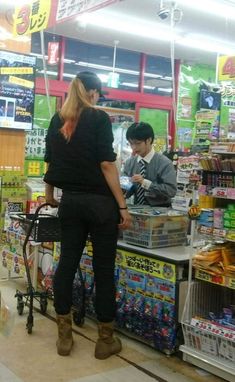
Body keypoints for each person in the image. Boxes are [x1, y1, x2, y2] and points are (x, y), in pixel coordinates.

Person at [44, 71, 131, 359]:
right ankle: (105, 340)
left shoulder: (58, 120)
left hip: (70, 204)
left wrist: (48, 196)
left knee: (66, 264)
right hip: (101, 207)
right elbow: (107, 164)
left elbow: (50, 162)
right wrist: (122, 205)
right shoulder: (98, 118)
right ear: (93, 92)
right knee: (104, 270)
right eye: (98, 94)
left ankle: (64, 336)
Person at [123, 122, 177, 206]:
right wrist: (125, 188)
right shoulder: (129, 163)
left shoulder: (164, 163)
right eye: (131, 143)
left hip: (160, 214)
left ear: (149, 140)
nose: (134, 147)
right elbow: (125, 193)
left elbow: (171, 191)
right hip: (137, 212)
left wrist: (145, 183)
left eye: (137, 143)